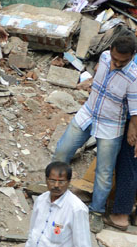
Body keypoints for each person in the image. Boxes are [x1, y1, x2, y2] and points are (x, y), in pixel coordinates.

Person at [53, 32, 137, 217]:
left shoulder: (133, 77)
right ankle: (55, 194)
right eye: (114, 59)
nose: (116, 64)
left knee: (104, 173)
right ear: (110, 51)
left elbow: (134, 109)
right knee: (61, 151)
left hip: (111, 126)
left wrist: (133, 130)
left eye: (121, 62)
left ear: (132, 57)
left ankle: (96, 211)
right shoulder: (105, 57)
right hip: (88, 114)